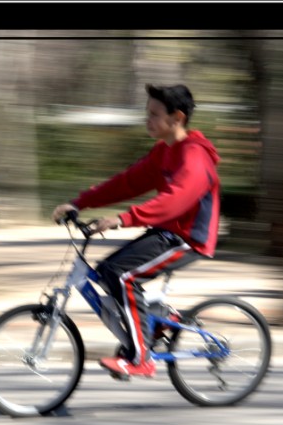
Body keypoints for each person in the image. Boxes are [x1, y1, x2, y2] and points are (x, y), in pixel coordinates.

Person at [52, 84, 221, 379]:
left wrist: (124, 219)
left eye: (154, 114)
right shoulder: (163, 152)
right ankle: (160, 321)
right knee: (108, 270)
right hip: (167, 232)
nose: (148, 119)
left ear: (177, 117)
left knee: (121, 275)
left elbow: (175, 200)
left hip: (189, 238)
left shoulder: (195, 156)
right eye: (148, 113)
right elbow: (126, 183)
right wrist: (80, 202)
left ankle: (141, 359)